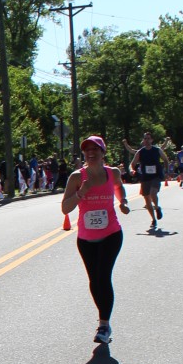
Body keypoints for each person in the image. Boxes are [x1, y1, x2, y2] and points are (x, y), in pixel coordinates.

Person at [60, 135, 129, 346]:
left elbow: (119, 187)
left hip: (111, 234)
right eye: (87, 150)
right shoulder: (76, 177)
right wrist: (81, 192)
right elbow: (65, 208)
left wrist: (123, 201)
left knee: (103, 277)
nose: (90, 153)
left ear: (102, 152)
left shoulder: (112, 173)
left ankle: (104, 325)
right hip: (86, 238)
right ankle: (103, 319)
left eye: (95, 149)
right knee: (94, 280)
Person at [129, 132, 169, 229]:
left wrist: (166, 171)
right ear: (143, 140)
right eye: (145, 139)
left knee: (153, 193)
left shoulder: (157, 150)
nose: (146, 140)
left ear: (151, 140)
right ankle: (153, 219)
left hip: (156, 176)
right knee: (147, 199)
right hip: (145, 177)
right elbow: (132, 164)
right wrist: (131, 170)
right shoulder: (140, 152)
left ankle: (157, 207)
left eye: (148, 138)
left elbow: (165, 160)